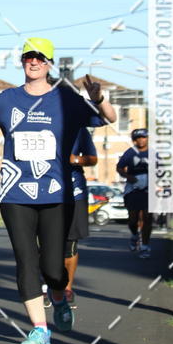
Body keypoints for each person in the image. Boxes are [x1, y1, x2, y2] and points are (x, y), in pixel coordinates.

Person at [0, 37, 116, 344]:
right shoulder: (7, 100)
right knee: (25, 259)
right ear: (22, 61)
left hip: (57, 193)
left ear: (50, 64)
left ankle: (58, 295)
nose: (34, 62)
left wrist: (99, 98)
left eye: (40, 58)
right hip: (15, 192)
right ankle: (39, 330)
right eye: (29, 56)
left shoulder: (67, 100)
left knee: (53, 267)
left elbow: (108, 118)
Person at [63, 128, 98, 307]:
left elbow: (92, 158)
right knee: (45, 244)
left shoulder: (79, 129)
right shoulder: (37, 121)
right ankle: (49, 285)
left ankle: (67, 288)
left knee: (70, 244)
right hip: (43, 191)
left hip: (74, 192)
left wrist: (75, 159)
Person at [117, 128, 151, 258]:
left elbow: (161, 169)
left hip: (148, 189)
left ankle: (145, 246)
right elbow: (119, 167)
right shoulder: (130, 153)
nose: (141, 140)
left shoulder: (153, 153)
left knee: (147, 218)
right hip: (133, 188)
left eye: (143, 137)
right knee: (133, 218)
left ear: (147, 138)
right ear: (134, 140)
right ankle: (134, 234)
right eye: (138, 138)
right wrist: (128, 176)